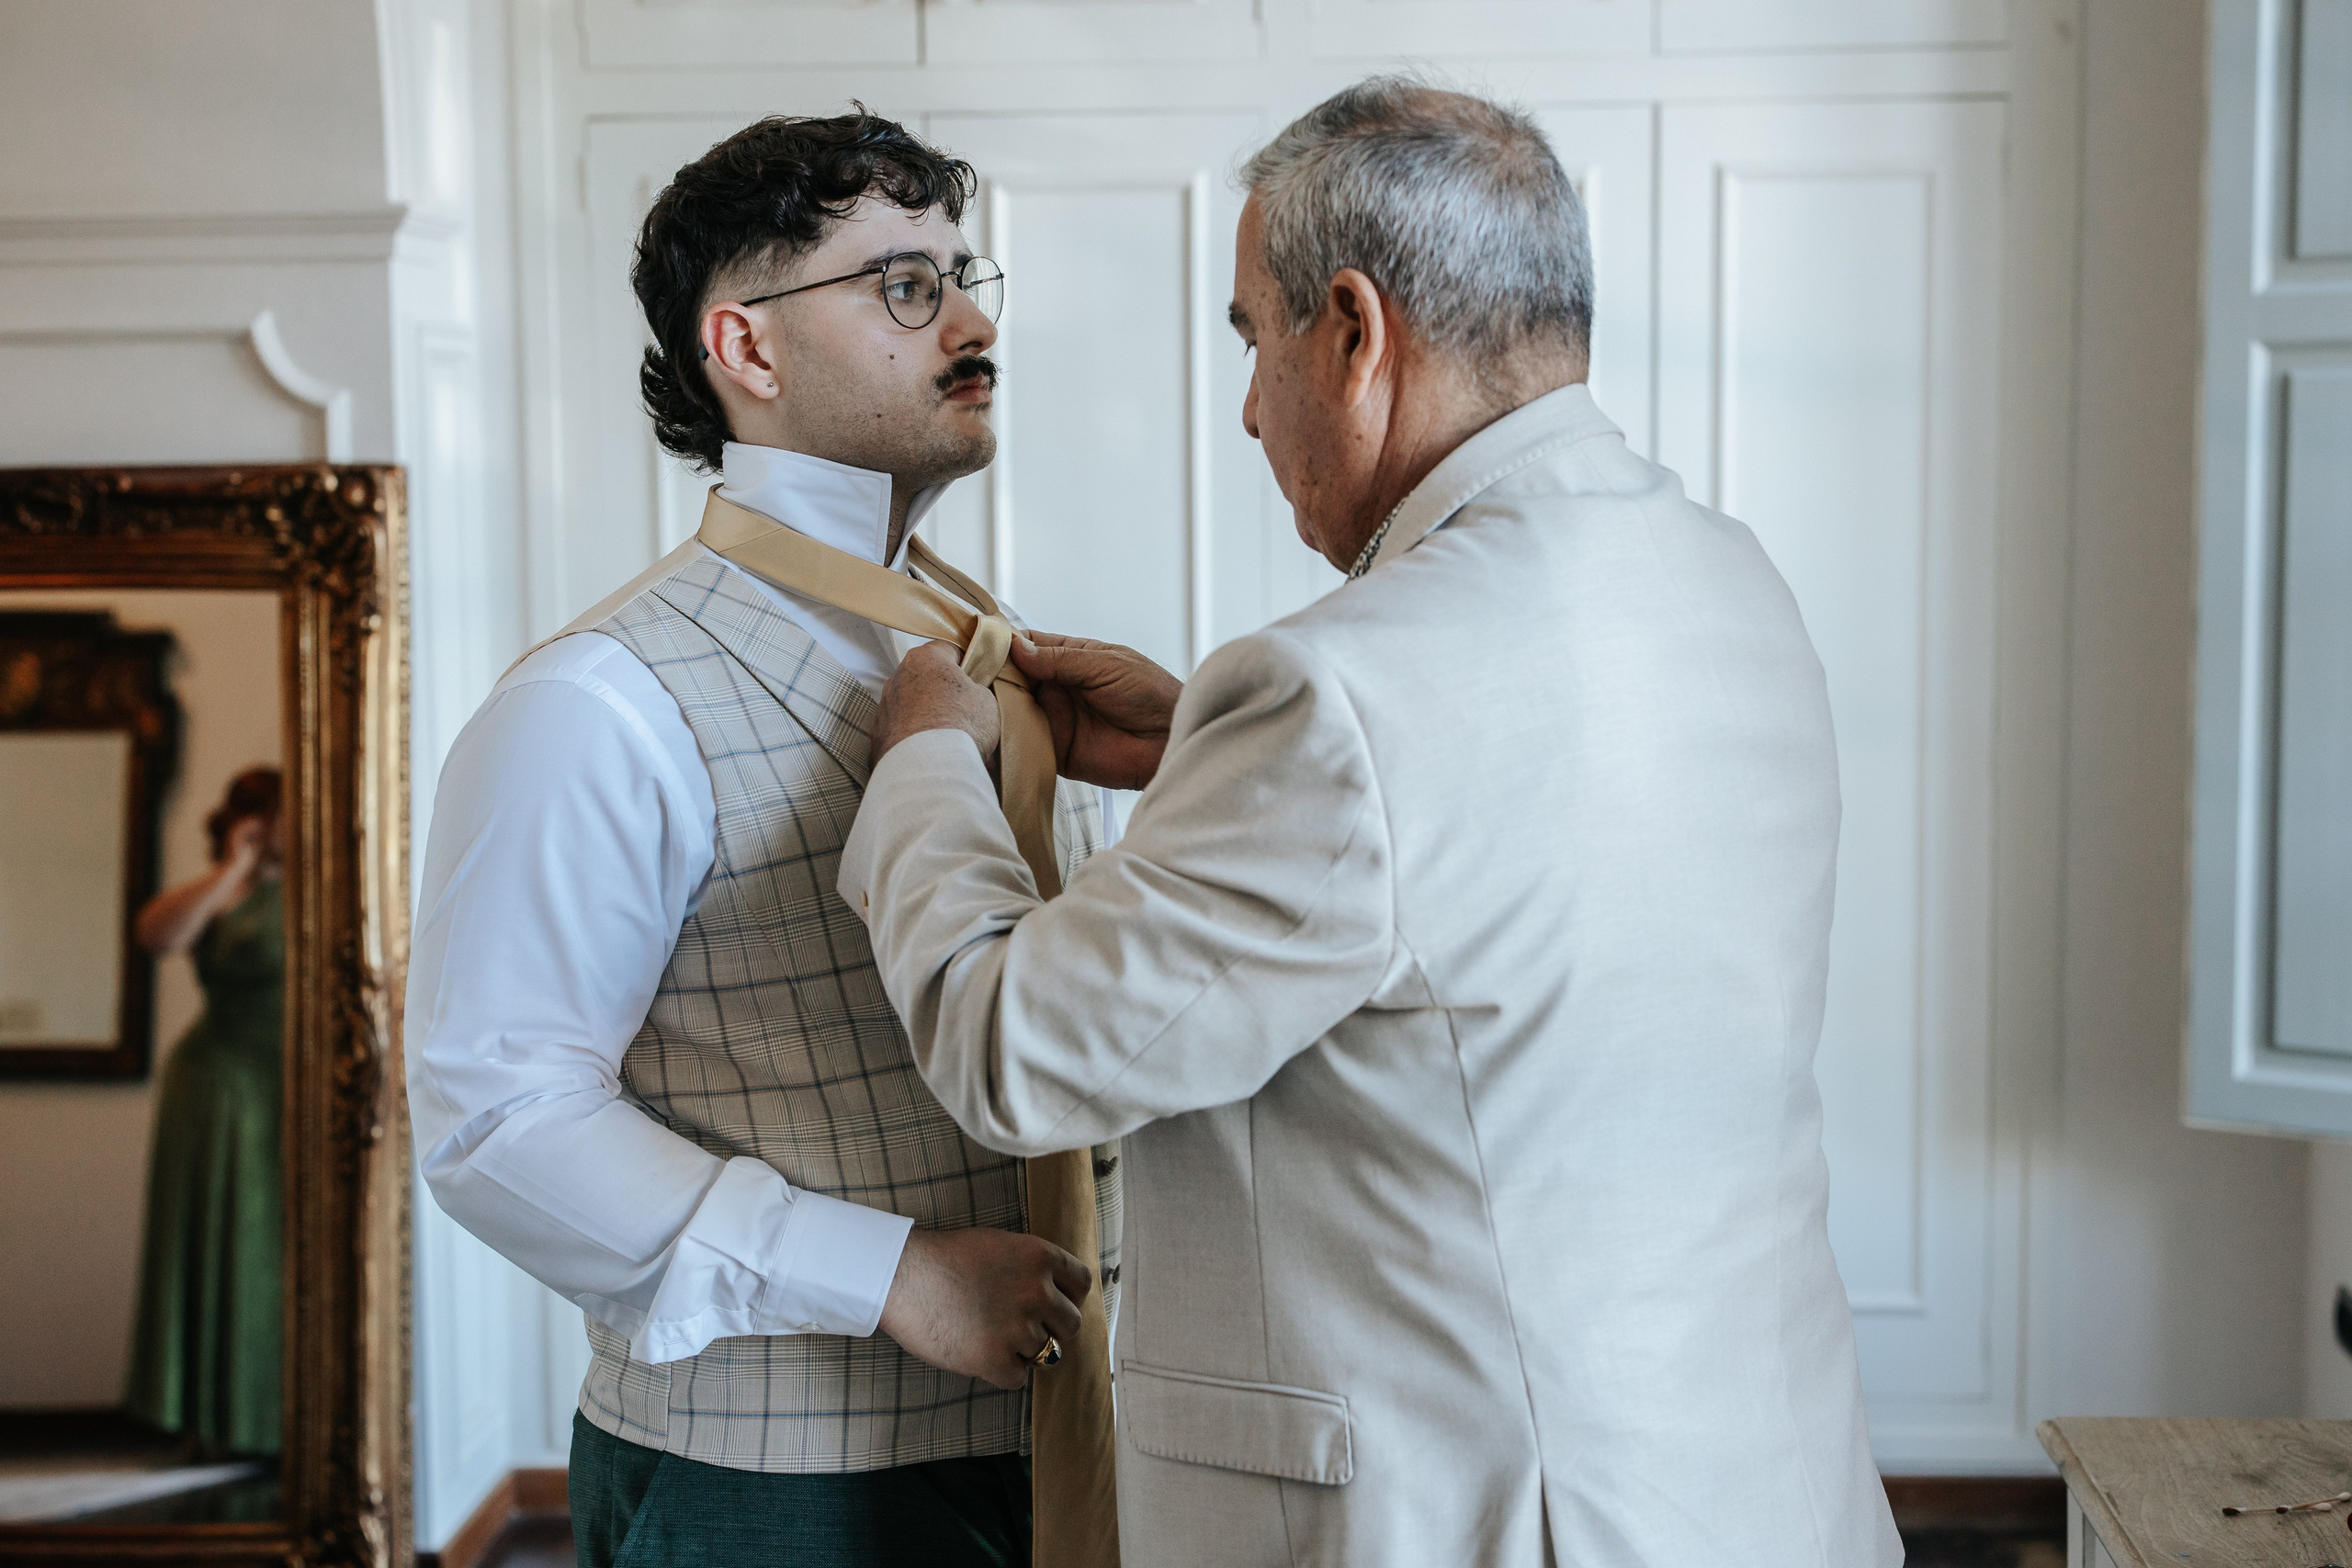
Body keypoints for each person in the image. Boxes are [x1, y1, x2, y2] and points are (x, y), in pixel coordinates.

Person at [840, 78, 1905, 1568]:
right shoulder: (1726, 580)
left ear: (1353, 331)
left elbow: (1015, 1049)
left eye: (1253, 339)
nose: (1249, 402)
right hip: (1751, 1488)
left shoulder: (1341, 702)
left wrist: (926, 765)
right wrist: (1209, 739)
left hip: (1482, 1521)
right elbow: (1501, 848)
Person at [406, 111, 1121, 1568]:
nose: (973, 319)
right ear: (747, 347)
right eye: (903, 285)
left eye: (962, 274)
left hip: (1055, 1447)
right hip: (777, 1493)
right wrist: (893, 1275)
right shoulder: (596, 701)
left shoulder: (987, 661)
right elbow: (495, 1118)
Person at [126, 764, 286, 1461]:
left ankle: (276, 1414)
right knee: (223, 1241)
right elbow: (157, 936)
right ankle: (211, 1418)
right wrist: (235, 865)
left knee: (275, 1252)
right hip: (219, 1087)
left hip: (297, 1087)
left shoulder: (331, 887)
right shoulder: (230, 892)